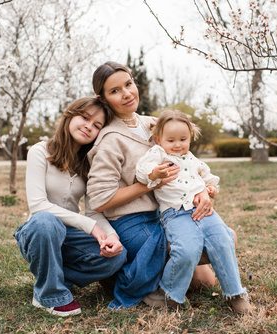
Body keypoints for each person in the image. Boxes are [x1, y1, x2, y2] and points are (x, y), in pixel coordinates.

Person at [87, 61, 216, 310]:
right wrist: (148, 183)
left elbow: (186, 161)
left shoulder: (152, 125)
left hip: (165, 212)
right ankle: (130, 278)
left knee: (205, 281)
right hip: (130, 221)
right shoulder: (110, 140)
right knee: (194, 252)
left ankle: (147, 271)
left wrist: (202, 190)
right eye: (115, 91)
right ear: (102, 99)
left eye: (128, 84)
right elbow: (100, 200)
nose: (126, 93)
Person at [14, 97, 127, 317]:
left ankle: (51, 279)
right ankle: (50, 295)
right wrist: (90, 225)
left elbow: (95, 211)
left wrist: (111, 237)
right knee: (46, 221)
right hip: (38, 232)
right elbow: (38, 205)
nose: (88, 126)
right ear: (69, 115)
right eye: (85, 118)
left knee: (118, 257)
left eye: (97, 126)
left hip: (70, 237)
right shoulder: (40, 151)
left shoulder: (90, 163)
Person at [135, 109, 252, 314]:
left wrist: (210, 188)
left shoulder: (191, 158)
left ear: (190, 138)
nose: (177, 144)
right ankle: (170, 293)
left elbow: (206, 175)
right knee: (187, 249)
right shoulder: (158, 154)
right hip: (176, 214)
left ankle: (235, 293)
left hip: (203, 210)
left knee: (223, 239)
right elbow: (142, 169)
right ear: (159, 139)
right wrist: (155, 172)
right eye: (171, 140)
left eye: (183, 139)